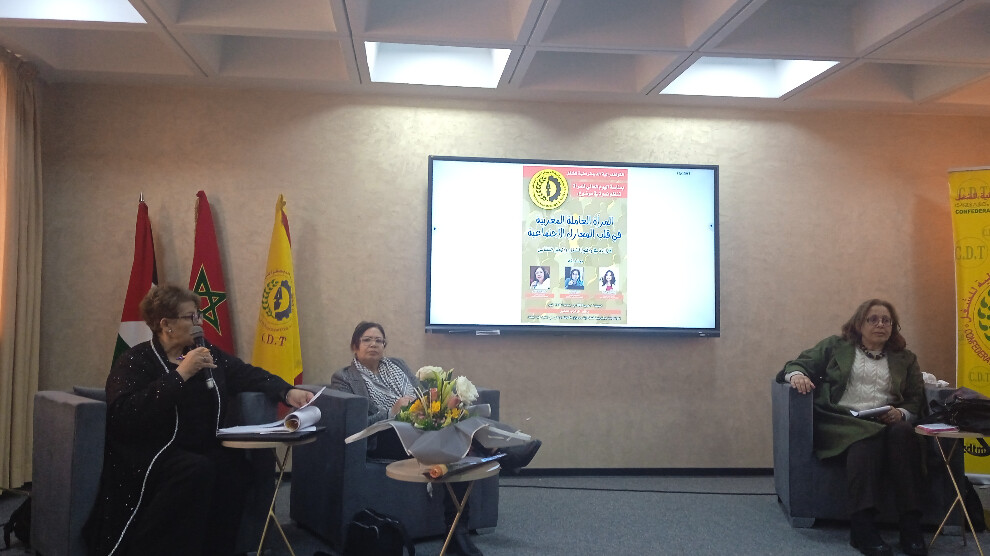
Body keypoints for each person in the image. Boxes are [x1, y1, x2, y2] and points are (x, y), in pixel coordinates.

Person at [84, 284, 314, 556]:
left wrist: (287, 391)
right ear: (166, 324)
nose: (199, 322)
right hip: (153, 452)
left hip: (202, 447)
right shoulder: (136, 360)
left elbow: (246, 374)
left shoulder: (205, 352)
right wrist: (181, 374)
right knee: (196, 471)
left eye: (199, 315)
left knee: (235, 471)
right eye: (190, 317)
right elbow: (124, 414)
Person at [331, 321, 541, 556]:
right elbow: (355, 423)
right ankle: (501, 456)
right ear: (355, 346)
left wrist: (438, 405)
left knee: (456, 425)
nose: (373, 345)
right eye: (367, 340)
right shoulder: (344, 377)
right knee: (453, 439)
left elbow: (421, 395)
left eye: (379, 340)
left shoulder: (397, 365)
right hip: (386, 435)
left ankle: (457, 533)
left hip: (421, 425)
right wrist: (392, 411)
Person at [776, 299, 927, 556]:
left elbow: (915, 398)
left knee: (903, 433)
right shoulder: (836, 346)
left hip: (885, 421)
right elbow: (796, 364)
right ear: (859, 324)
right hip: (842, 420)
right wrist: (798, 376)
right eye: (873, 319)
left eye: (886, 320)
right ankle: (862, 526)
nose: (880, 324)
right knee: (866, 440)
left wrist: (900, 413)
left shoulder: (906, 358)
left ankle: (910, 525)